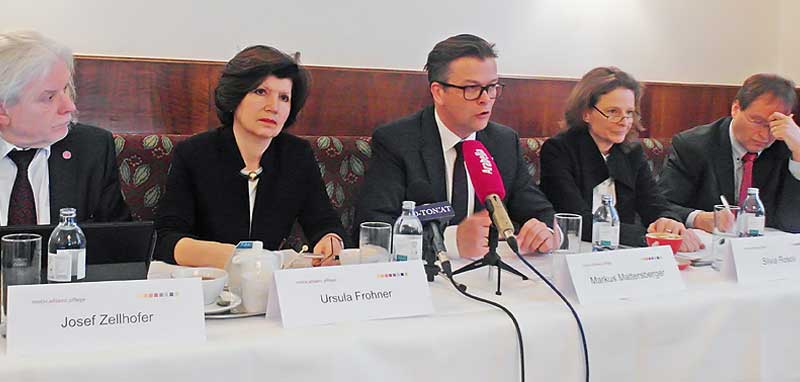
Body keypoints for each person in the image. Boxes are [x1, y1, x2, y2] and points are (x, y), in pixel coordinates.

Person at [355, 34, 555, 258]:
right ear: (438, 92)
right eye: (471, 88)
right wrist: (452, 241)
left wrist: (544, 231)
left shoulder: (503, 142)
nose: (485, 99)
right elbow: (374, 230)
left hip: (489, 276)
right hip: (424, 278)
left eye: (491, 87)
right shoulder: (397, 141)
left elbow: (540, 211)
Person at [155, 45, 346, 268]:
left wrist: (330, 240)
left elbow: (324, 222)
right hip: (207, 283)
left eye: (284, 97)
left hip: (268, 286)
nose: (273, 107)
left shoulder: (297, 155)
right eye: (260, 92)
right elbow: (167, 238)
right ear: (235, 96)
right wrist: (234, 258)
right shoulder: (195, 153)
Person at [540, 67, 702, 251]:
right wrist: (650, 237)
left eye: (629, 112)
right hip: (576, 250)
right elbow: (578, 220)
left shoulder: (631, 152)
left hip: (623, 251)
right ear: (586, 113)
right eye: (613, 111)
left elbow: (654, 203)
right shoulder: (558, 150)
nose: (624, 121)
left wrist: (669, 223)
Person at [0, 31, 130, 226]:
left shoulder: (92, 149)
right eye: (49, 97)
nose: (69, 107)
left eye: (66, 89)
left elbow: (117, 241)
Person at [659, 73, 800, 233]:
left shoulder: (786, 147)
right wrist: (697, 218)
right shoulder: (693, 146)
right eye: (757, 122)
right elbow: (662, 205)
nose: (765, 135)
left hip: (766, 251)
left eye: (773, 124)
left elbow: (792, 223)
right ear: (736, 109)